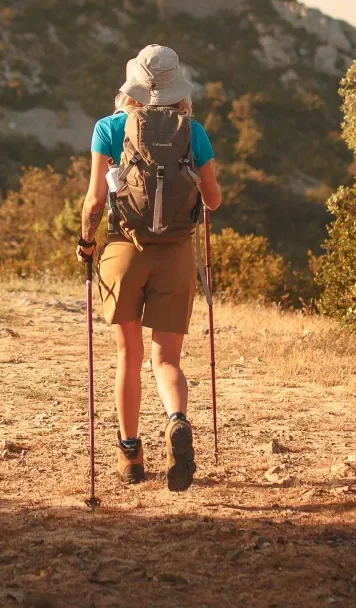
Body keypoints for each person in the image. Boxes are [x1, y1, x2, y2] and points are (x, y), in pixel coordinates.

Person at [77, 44, 222, 492]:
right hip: (176, 253)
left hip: (125, 249)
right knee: (167, 359)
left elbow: (95, 202)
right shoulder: (193, 131)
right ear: (178, 88)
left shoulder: (109, 127)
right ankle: (177, 419)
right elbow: (214, 201)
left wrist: (86, 243)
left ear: (133, 88)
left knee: (128, 355)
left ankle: (131, 454)